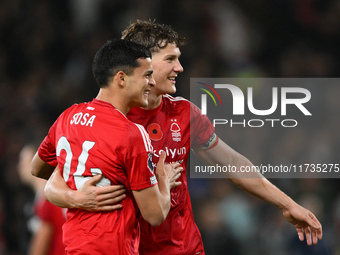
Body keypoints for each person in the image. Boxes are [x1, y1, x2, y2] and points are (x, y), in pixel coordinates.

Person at [42, 21, 322, 255]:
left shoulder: (184, 113)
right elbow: (51, 174)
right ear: (143, 64)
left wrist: (288, 204)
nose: (180, 68)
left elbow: (232, 163)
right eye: (171, 59)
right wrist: (74, 198)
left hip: (183, 248)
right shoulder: (107, 122)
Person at [31, 39, 182, 255]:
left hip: (75, 247)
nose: (151, 82)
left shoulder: (68, 117)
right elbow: (155, 215)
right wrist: (164, 180)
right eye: (146, 75)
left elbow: (37, 168)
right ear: (121, 78)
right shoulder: (131, 133)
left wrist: (70, 193)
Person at [18, 144, 66, 255]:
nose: (19, 166)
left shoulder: (48, 199)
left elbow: (41, 242)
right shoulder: (58, 192)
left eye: (24, 161)